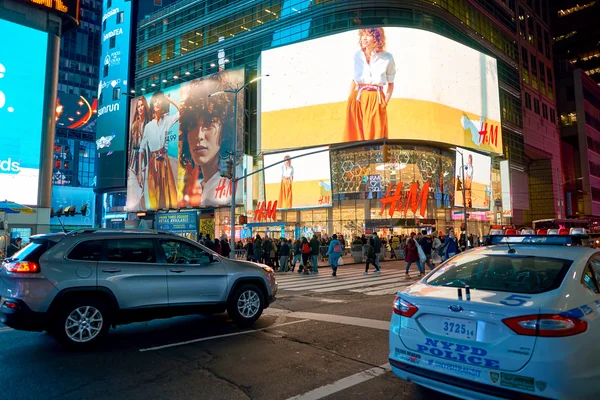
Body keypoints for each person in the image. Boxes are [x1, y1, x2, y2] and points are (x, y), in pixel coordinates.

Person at [178, 73, 238, 207]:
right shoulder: (210, 185)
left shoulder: (224, 188)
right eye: (193, 125)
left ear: (225, 126)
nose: (199, 135)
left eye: (209, 123)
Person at [344, 27, 396, 141]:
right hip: (357, 99)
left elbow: (391, 85)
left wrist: (384, 104)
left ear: (376, 38)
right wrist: (349, 101)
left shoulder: (387, 58)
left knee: (375, 136)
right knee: (355, 137)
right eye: (363, 35)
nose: (364, 38)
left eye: (368, 35)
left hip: (375, 99)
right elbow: (353, 80)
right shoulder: (357, 56)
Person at [138, 91, 180, 210]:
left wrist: (170, 100)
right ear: (152, 104)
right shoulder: (148, 126)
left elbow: (182, 112)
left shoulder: (167, 120)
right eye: (155, 101)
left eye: (160, 101)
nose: (157, 103)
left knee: (168, 192)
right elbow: (141, 150)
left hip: (164, 161)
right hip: (152, 162)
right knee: (153, 192)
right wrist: (140, 173)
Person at [128, 96, 151, 210]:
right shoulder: (134, 125)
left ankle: (145, 206)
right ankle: (139, 206)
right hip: (134, 158)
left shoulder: (149, 123)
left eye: (142, 105)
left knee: (145, 185)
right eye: (138, 106)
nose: (140, 108)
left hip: (147, 156)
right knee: (135, 186)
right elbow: (131, 143)